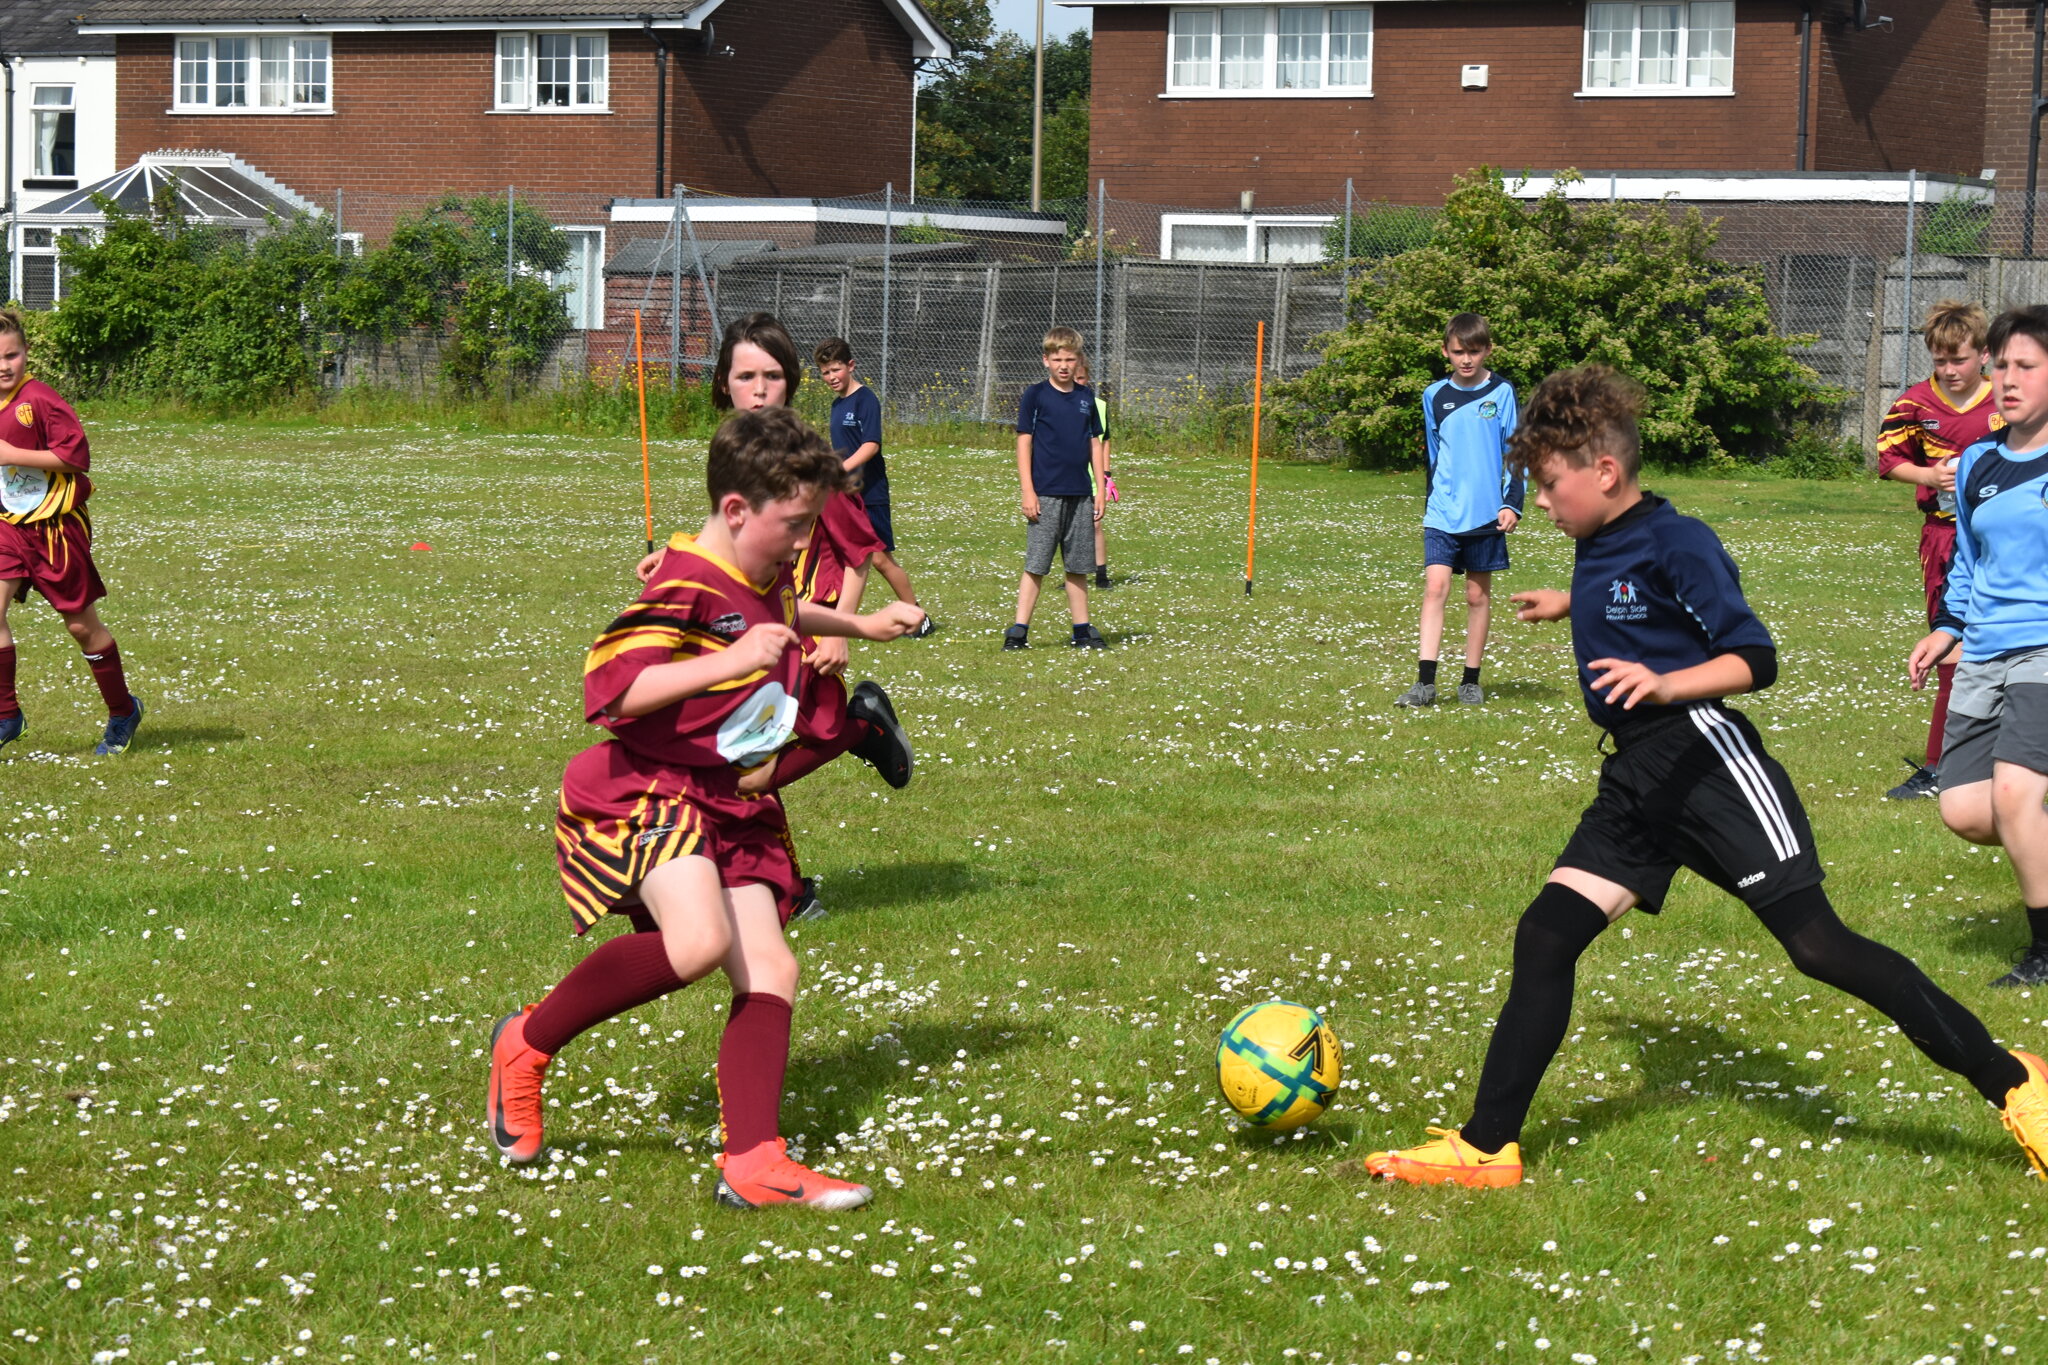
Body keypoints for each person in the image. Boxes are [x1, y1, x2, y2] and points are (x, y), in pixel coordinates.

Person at [1366, 364, 2048, 1189]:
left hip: (1709, 765)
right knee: (1546, 934)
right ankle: (1488, 1145)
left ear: (1605, 473)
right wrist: (1566, 604)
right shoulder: (1599, 539)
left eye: (1548, 484)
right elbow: (1622, 601)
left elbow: (1755, 657)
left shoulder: (1677, 540)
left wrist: (1666, 684)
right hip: (1638, 781)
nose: (1539, 501)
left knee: (1820, 947)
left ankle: (2013, 1082)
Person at [488, 406, 926, 1210]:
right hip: (648, 787)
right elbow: (613, 687)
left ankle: (753, 1160)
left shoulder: (765, 573)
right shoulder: (685, 580)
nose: (805, 544)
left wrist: (860, 621)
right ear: (735, 510)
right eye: (794, 525)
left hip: (727, 798)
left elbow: (785, 613)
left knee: (774, 967)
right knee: (695, 943)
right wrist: (727, 659)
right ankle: (525, 1041)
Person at [1908, 305, 2048, 989]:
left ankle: (2045, 951)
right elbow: (1968, 560)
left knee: (2019, 794)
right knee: (1965, 808)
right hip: (1985, 647)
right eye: (2002, 365)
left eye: (2027, 365)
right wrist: (1948, 627)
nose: (2008, 378)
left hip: (2044, 649)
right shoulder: (1976, 465)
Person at [0, 308, 142, 756]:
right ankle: (7, 715)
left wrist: (11, 454)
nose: (4, 365)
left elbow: (75, 456)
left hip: (57, 530)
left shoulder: (38, 399)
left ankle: (123, 712)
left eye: (12, 354)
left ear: (25, 354)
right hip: (7, 527)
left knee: (82, 627)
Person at [1877, 300, 1997, 800]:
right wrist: (1926, 474)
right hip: (1946, 539)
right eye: (1940, 361)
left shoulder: (2009, 402)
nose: (1949, 370)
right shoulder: (1912, 405)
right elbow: (1888, 459)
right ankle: (1939, 767)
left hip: (2004, 537)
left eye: (1959, 360)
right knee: (1952, 648)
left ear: (1985, 355)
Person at [1396, 313, 1521, 708]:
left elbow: (1516, 453)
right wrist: (1433, 501)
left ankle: (1470, 680)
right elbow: (1435, 458)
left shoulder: (1501, 392)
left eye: (1474, 351)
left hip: (1485, 514)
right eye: (1458, 352)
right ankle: (1425, 683)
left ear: (1487, 350)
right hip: (1443, 513)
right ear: (1446, 352)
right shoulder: (1433, 395)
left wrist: (1511, 503)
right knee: (1435, 588)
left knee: (1476, 597)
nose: (1466, 359)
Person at [814, 337, 936, 635]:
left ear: (851, 366)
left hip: (870, 494)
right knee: (846, 556)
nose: (831, 377)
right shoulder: (837, 405)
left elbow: (870, 445)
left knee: (880, 559)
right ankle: (837, 622)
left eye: (836, 369)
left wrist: (839, 469)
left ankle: (918, 618)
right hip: (847, 495)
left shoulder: (865, 399)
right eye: (825, 372)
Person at [1007, 326, 1107, 651]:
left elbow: (1095, 442)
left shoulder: (1086, 398)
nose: (1064, 365)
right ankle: (1019, 631)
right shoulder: (1035, 395)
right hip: (1045, 494)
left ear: (1079, 361)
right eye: (1057, 359)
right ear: (1045, 360)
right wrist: (1027, 490)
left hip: (1080, 493)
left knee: (1078, 566)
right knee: (1037, 564)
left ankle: (1082, 630)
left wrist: (1100, 488)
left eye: (1070, 359)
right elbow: (1024, 442)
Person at [1073, 355, 1117, 590]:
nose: (1078, 381)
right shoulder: (1062, 404)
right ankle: (1073, 574)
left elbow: (1105, 440)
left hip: (1093, 476)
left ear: (1088, 378)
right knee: (1071, 529)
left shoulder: (1098, 405)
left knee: (1096, 525)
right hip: (1070, 475)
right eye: (1074, 378)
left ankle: (1101, 575)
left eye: (1082, 377)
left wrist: (1106, 475)